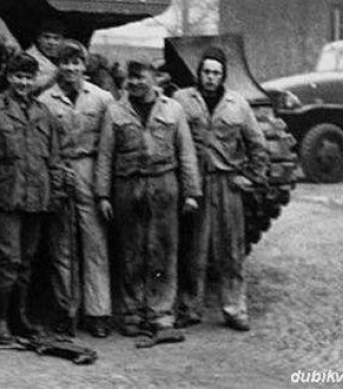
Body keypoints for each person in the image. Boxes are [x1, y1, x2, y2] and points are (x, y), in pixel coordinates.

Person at [94, 60, 201, 337]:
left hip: (164, 184)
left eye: (141, 77)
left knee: (163, 250)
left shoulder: (173, 109)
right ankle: (131, 312)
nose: (136, 83)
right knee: (130, 251)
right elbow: (105, 155)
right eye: (131, 78)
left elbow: (186, 153)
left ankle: (160, 312)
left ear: (153, 79)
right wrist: (103, 194)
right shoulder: (115, 110)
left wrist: (191, 193)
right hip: (127, 186)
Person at [173, 46, 269, 331]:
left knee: (231, 250)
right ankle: (190, 307)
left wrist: (251, 177)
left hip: (227, 183)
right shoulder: (182, 100)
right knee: (194, 249)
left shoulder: (237, 104)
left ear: (223, 75)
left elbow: (258, 144)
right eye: (206, 72)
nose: (211, 77)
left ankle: (234, 309)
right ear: (199, 73)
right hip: (195, 183)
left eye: (216, 73)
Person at [0, 52, 64, 343]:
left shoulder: (43, 112)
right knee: (7, 261)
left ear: (34, 80)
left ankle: (19, 317)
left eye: (28, 77)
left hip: (37, 198)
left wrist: (56, 192)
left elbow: (54, 158)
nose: (23, 83)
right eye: (18, 77)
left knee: (26, 262)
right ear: (9, 77)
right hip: (6, 197)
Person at [38, 40, 115, 338]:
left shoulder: (102, 98)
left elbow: (109, 144)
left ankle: (97, 312)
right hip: (59, 170)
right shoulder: (46, 100)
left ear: (84, 65)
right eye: (65, 62)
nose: (70, 68)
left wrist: (104, 185)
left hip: (90, 169)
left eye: (76, 62)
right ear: (58, 65)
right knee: (62, 246)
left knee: (95, 244)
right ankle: (66, 311)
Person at [26, 17, 66, 93]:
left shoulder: (64, 55)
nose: (51, 42)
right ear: (38, 38)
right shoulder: (27, 58)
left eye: (56, 38)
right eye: (47, 37)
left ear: (62, 41)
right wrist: (58, 75)